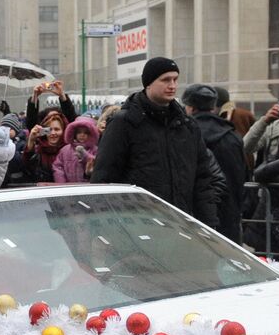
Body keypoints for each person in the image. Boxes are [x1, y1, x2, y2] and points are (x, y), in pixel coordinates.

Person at [90, 56, 224, 230]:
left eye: (175, 79)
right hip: (137, 227)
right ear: (149, 83)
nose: (172, 85)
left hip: (181, 226)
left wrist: (209, 226)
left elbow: (203, 180)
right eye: (165, 80)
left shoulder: (187, 126)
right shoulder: (124, 123)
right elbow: (104, 178)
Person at [183, 83, 248, 243]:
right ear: (213, 107)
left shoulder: (183, 135)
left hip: (194, 217)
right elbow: (244, 175)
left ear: (190, 108)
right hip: (230, 217)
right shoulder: (232, 135)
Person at [22, 109, 69, 183]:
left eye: (57, 129)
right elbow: (26, 165)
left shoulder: (69, 151)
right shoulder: (39, 150)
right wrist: (31, 140)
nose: (53, 133)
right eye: (49, 130)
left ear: (64, 131)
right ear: (44, 131)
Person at [53, 115, 100, 184]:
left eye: (86, 133)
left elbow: (98, 165)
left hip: (88, 188)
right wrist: (61, 184)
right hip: (68, 188)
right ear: (74, 133)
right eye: (79, 132)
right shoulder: (65, 150)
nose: (82, 135)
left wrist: (86, 156)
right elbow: (58, 167)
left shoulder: (95, 150)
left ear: (91, 134)